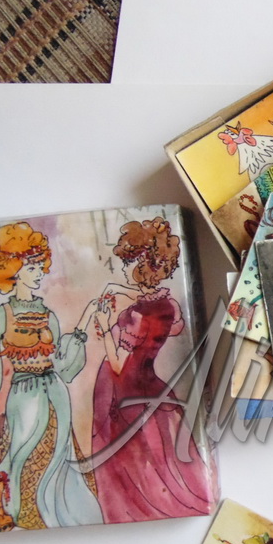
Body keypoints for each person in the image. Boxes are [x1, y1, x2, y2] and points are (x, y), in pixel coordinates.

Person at [0, 222, 103, 530]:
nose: (39, 272)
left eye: (40, 266)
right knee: (24, 453)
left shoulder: (48, 316)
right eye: (31, 267)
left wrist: (84, 321)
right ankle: (27, 515)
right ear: (13, 270)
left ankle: (60, 514)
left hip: (55, 392)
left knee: (59, 452)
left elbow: (63, 366)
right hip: (24, 396)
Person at [89, 217, 215, 523]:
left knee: (127, 459)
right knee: (160, 457)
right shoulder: (169, 306)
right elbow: (173, 328)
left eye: (128, 263)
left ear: (144, 265)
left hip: (124, 389)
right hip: (151, 384)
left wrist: (105, 327)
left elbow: (118, 364)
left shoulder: (135, 315)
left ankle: (135, 511)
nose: (123, 269)